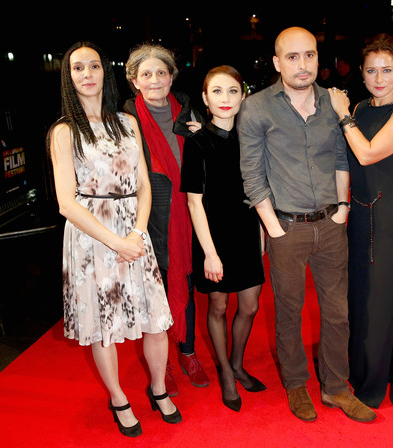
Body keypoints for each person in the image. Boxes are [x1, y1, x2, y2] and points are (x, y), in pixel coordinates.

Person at [238, 26, 376, 423]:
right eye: (293, 57)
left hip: (331, 223)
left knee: (337, 313)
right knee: (289, 311)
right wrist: (273, 227)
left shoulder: (333, 104)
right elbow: (251, 174)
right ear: (278, 62)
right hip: (286, 227)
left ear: (319, 58)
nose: (303, 64)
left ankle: (335, 387)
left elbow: (339, 159)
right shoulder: (257, 107)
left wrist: (344, 207)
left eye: (310, 55)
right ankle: (297, 384)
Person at [48, 41, 181, 437]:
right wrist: (115, 241)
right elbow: (66, 203)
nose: (87, 74)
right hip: (92, 235)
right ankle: (118, 397)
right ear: (68, 78)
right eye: (77, 68)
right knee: (103, 325)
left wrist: (137, 234)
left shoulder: (127, 123)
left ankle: (158, 388)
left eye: (93, 66)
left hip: (134, 231)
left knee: (156, 319)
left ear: (105, 71)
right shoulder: (63, 132)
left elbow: (143, 185)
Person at [327, 33, 393, 409]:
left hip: (392, 216)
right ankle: (358, 369)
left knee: (381, 302)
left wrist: (343, 114)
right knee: (358, 299)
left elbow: (366, 155)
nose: (379, 77)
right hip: (359, 213)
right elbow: (344, 161)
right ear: (362, 73)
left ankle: (376, 381)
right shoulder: (363, 107)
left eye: (387, 69)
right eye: (371, 70)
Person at [123, 43, 209, 396]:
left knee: (186, 284)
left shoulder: (192, 115)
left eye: (162, 72)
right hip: (150, 219)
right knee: (154, 291)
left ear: (172, 76)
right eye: (146, 74)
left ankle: (187, 352)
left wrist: (202, 137)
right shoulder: (126, 122)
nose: (155, 80)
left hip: (190, 214)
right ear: (134, 81)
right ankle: (165, 364)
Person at [180, 65, 267, 412]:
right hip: (212, 236)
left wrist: (261, 235)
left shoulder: (252, 138)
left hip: (246, 233)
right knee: (218, 306)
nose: (225, 99)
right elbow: (193, 201)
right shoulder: (197, 142)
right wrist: (209, 254)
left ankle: (237, 363)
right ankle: (227, 376)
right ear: (204, 98)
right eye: (216, 91)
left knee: (250, 306)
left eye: (232, 91)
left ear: (242, 95)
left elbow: (261, 189)